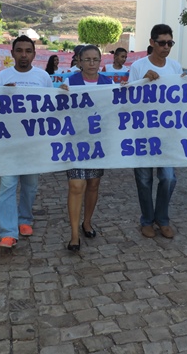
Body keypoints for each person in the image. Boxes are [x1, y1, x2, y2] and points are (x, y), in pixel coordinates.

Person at [0, 35, 53, 249]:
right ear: (12, 53)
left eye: (28, 51)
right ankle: (8, 232)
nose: (24, 55)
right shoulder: (1, 77)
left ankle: (25, 219)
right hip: (9, 141)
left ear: (34, 54)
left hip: (33, 141)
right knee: (7, 185)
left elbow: (51, 106)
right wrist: (3, 95)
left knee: (30, 185)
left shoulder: (43, 77)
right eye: (19, 50)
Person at [128, 24, 182, 239]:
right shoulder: (138, 67)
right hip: (142, 132)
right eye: (162, 43)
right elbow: (129, 98)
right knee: (144, 180)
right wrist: (142, 82)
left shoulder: (175, 67)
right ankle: (147, 220)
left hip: (167, 133)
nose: (166, 47)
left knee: (168, 178)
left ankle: (162, 218)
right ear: (152, 43)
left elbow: (181, 98)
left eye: (170, 43)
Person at [60, 45, 113, 252]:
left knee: (93, 184)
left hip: (97, 142)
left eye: (95, 59)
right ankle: (74, 234)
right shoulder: (69, 82)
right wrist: (60, 95)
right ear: (79, 62)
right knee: (76, 185)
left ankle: (87, 222)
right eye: (87, 59)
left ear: (100, 61)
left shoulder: (107, 83)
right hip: (74, 141)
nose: (92, 63)